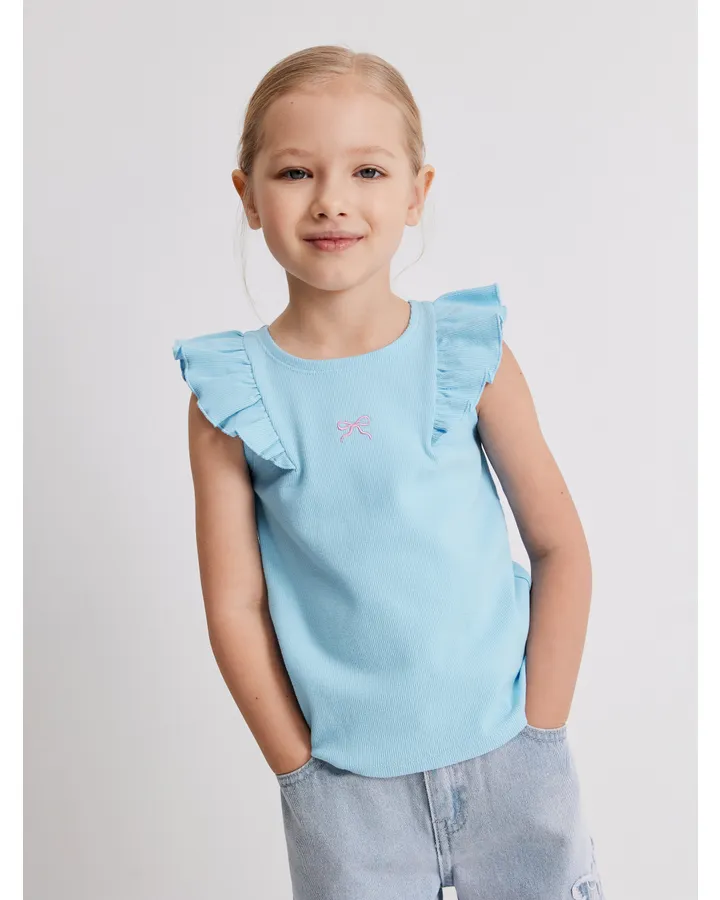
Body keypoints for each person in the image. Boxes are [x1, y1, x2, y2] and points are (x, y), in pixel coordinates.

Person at [171, 44, 606, 900]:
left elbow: (560, 546)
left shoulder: (467, 352)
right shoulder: (231, 394)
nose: (331, 199)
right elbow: (234, 605)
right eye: (295, 172)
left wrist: (540, 728)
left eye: (367, 170)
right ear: (248, 196)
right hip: (345, 791)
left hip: (511, 760)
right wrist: (299, 769)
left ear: (416, 192)